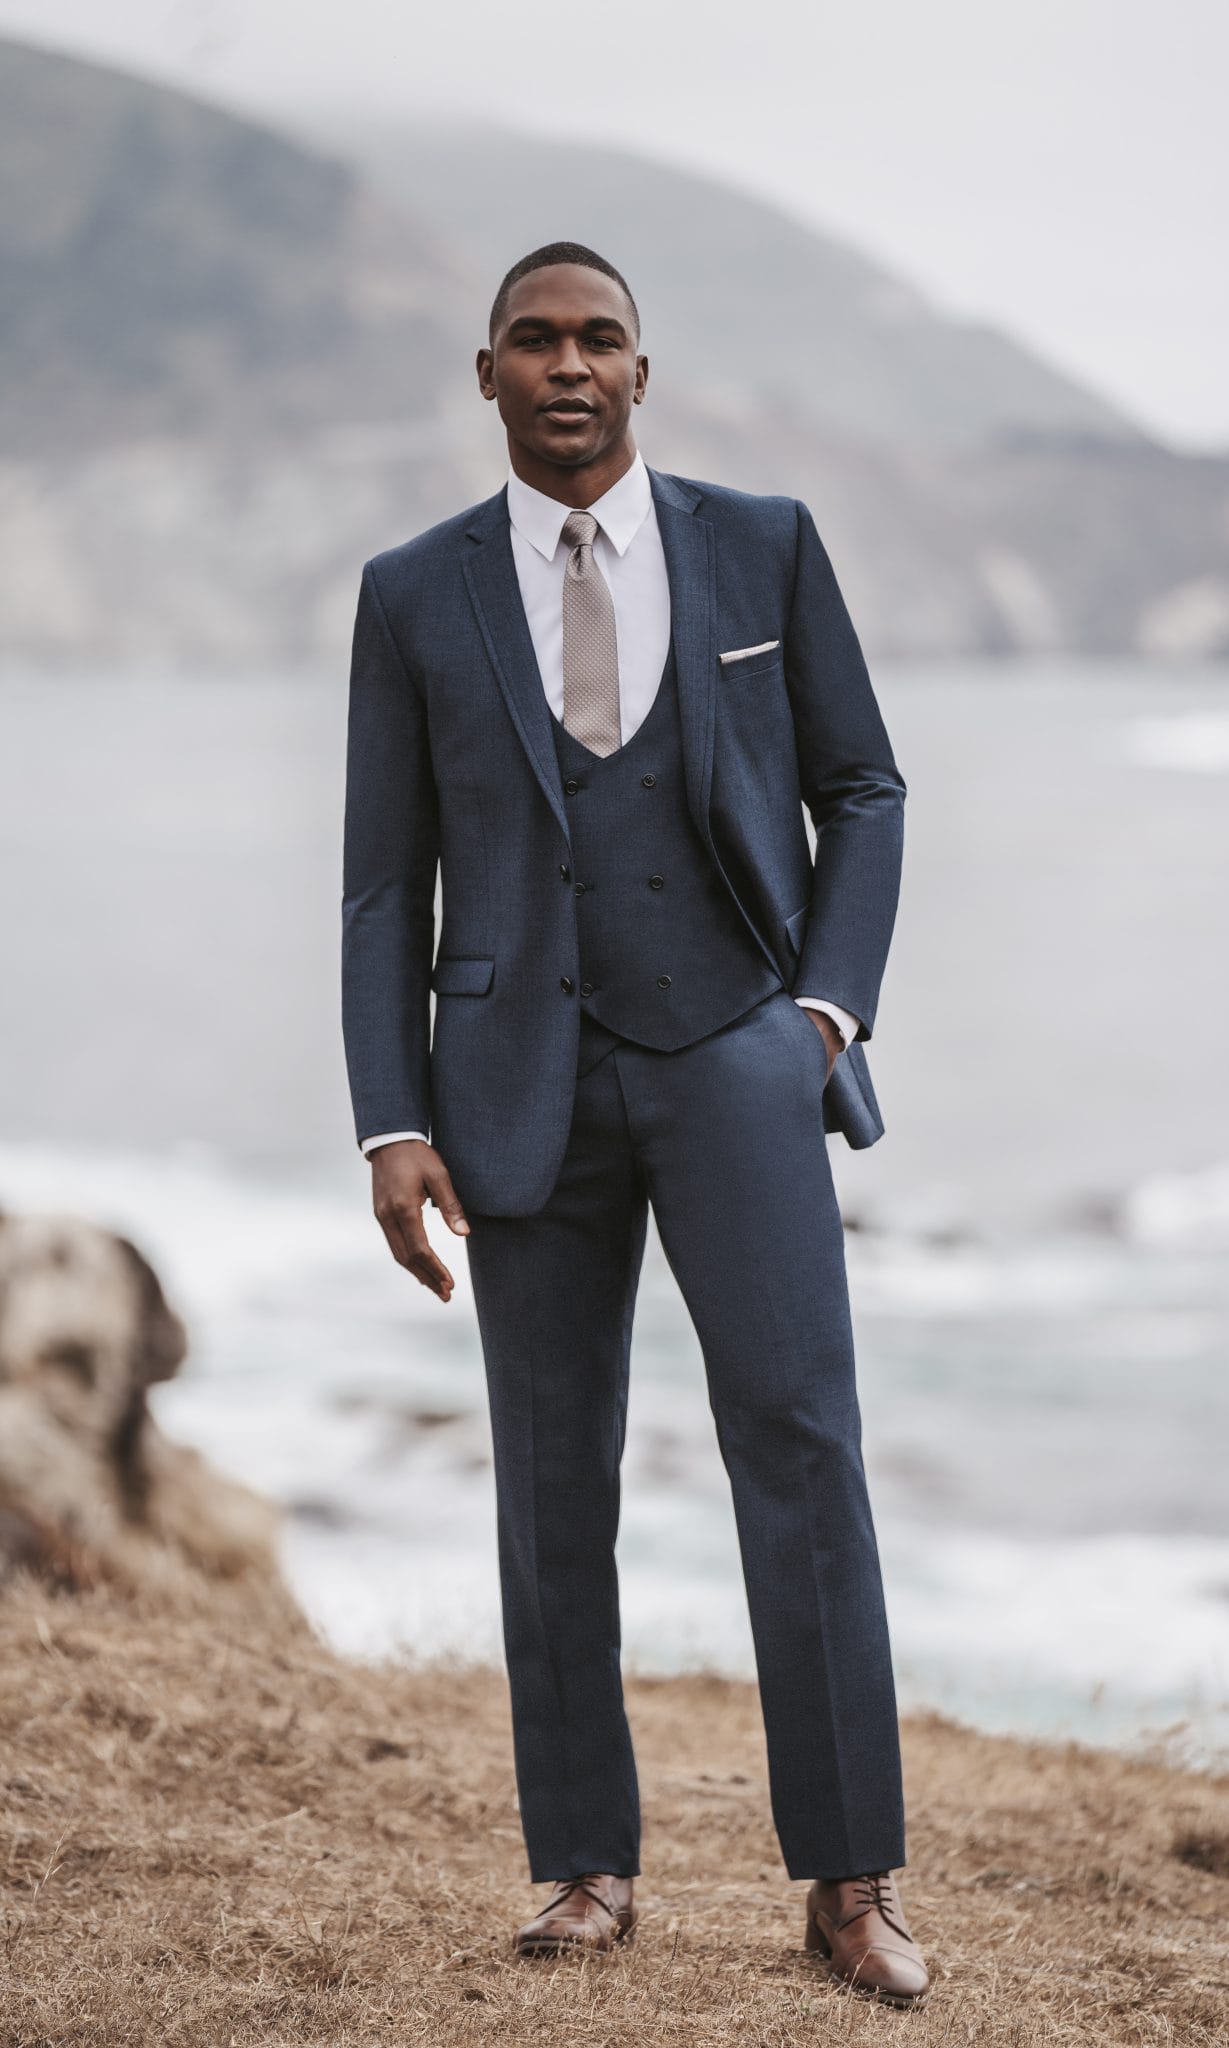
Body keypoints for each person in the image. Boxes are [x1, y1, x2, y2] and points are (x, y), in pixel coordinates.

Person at [341, 241, 929, 2008]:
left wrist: (820, 1011)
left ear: (643, 373)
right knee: (548, 1477)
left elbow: (863, 785)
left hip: (737, 1055)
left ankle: (849, 1883)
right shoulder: (411, 591)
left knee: (801, 1448)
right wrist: (389, 1121)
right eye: (536, 340)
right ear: (487, 374)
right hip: (515, 1084)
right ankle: (584, 1864)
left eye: (599, 339)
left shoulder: (763, 543)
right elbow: (386, 886)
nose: (569, 366)